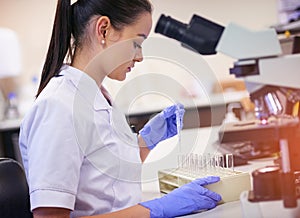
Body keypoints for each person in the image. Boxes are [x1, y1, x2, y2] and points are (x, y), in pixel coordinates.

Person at [19, 0, 222, 218]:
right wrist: (155, 209)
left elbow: (106, 180)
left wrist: (146, 143)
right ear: (103, 30)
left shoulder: (97, 96)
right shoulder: (59, 107)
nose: (140, 56)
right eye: (137, 43)